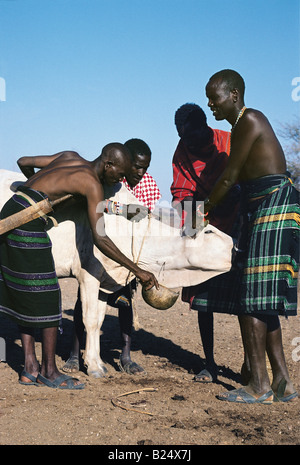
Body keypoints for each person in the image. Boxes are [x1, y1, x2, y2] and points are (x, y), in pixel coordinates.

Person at [0, 144, 158, 390]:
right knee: (49, 296)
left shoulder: (70, 156)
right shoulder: (91, 184)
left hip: (12, 209)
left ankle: (30, 368)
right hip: (26, 223)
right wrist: (137, 270)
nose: (120, 180)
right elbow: (101, 238)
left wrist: (39, 192)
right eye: (119, 174)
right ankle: (50, 372)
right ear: (108, 165)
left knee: (26, 293)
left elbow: (23, 160)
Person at [204, 69, 299, 403]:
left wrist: (205, 208)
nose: (210, 105)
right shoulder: (241, 126)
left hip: (273, 205)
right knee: (264, 298)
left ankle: (258, 385)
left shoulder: (249, 121)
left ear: (233, 94)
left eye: (213, 98)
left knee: (250, 299)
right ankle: (282, 383)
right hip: (265, 207)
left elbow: (230, 178)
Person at [63, 138, 161, 375]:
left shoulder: (148, 186)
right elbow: (98, 206)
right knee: (85, 297)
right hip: (100, 248)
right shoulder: (112, 181)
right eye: (135, 166)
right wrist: (125, 210)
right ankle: (75, 354)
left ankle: (125, 355)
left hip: (130, 254)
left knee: (125, 301)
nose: (139, 172)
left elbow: (149, 220)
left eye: (144, 168)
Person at [171, 103, 240, 383]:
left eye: (189, 137)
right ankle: (209, 362)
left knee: (244, 298)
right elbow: (181, 192)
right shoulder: (181, 154)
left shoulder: (228, 142)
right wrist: (191, 225)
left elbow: (244, 180)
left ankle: (251, 364)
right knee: (204, 299)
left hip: (236, 224)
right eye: (181, 137)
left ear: (204, 128)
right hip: (204, 226)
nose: (185, 143)